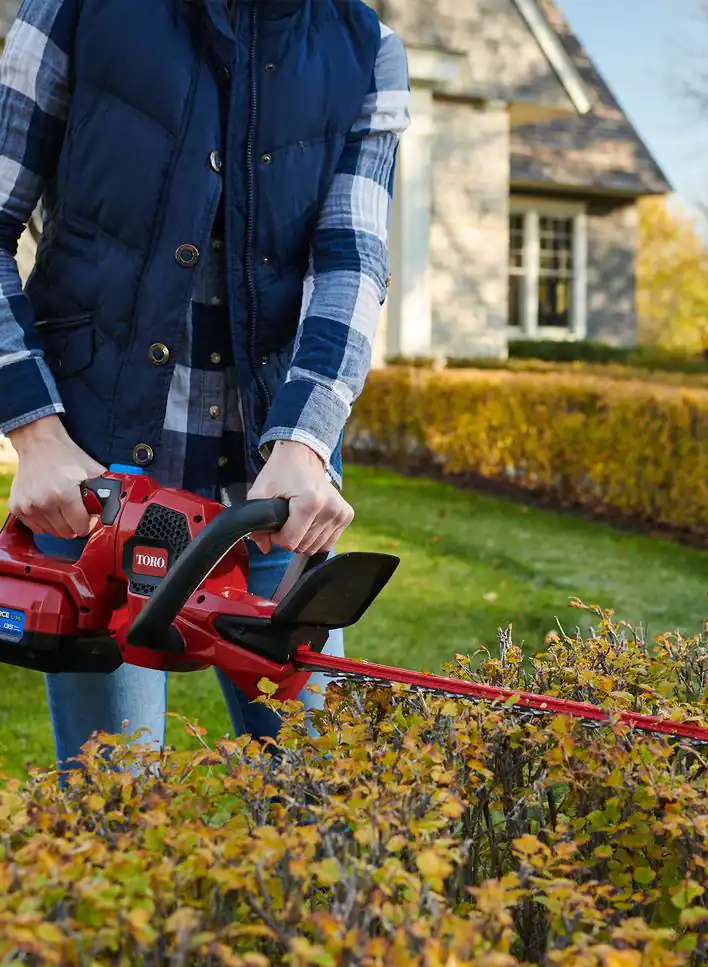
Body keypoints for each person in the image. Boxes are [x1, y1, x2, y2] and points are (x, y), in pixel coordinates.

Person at [0, 0, 410, 771]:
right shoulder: (78, 9)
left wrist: (305, 443)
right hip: (97, 489)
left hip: (271, 495)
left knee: (314, 799)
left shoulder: (368, 49)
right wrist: (35, 431)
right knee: (112, 809)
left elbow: (351, 261)